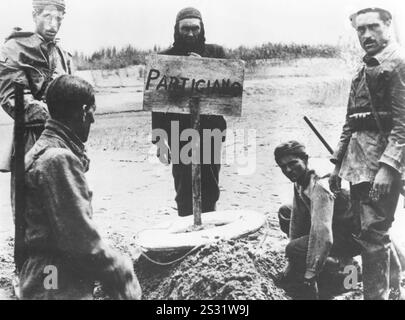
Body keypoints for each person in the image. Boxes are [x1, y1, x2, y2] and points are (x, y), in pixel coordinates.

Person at [19, 75, 142, 300]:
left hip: (41, 275)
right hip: (54, 280)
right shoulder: (58, 160)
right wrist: (121, 270)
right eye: (92, 111)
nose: (93, 120)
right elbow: (81, 241)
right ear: (83, 111)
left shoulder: (37, 153)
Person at [329, 7, 405, 300]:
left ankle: (377, 297)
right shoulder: (364, 68)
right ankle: (395, 285)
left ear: (388, 25)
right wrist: (337, 164)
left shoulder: (397, 64)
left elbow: (402, 124)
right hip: (358, 164)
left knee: (373, 232)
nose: (366, 35)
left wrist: (388, 167)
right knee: (368, 230)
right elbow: (351, 121)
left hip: (381, 165)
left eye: (373, 27)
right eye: (361, 30)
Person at [151, 7, 227, 216]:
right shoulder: (164, 58)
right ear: (177, 30)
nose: (191, 34)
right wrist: (159, 139)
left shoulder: (216, 53)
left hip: (210, 130)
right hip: (178, 133)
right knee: (183, 186)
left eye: (195, 28)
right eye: (185, 29)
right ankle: (186, 226)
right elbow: (157, 103)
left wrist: (203, 68)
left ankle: (209, 228)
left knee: (210, 184)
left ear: (202, 29)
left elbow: (228, 91)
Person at [0, 0, 73, 213]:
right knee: (32, 208)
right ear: (34, 15)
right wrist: (58, 116)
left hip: (63, 138)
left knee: (64, 203)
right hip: (32, 138)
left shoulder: (61, 54)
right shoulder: (14, 49)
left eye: (58, 18)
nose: (53, 24)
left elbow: (73, 93)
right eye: (47, 16)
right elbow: (13, 99)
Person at [274, 141, 361, 299]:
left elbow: (323, 234)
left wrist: (310, 274)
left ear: (305, 159)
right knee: (286, 213)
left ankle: (345, 264)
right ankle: (325, 263)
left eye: (293, 163)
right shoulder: (300, 177)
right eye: (283, 166)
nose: (288, 170)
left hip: (352, 234)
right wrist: (291, 263)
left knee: (295, 249)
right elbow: (297, 219)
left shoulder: (320, 183)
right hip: (334, 220)